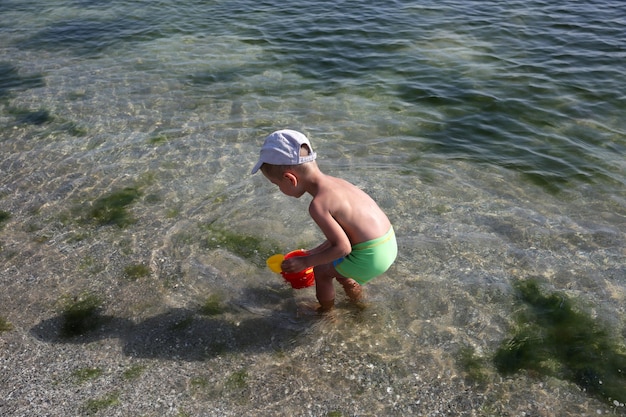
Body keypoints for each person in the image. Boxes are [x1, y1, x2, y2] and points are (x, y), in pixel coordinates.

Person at [251, 129, 397, 312]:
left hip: (371, 255)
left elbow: (343, 247)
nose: (279, 189)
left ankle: (325, 312)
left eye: (277, 184)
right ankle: (358, 302)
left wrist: (307, 263)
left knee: (321, 271)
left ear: (290, 179)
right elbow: (346, 234)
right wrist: (314, 252)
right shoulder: (338, 183)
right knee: (338, 266)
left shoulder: (318, 205)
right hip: (388, 244)